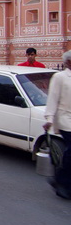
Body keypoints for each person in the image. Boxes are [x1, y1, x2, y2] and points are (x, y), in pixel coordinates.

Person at [43, 50, 71, 199]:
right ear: (67, 62)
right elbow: (52, 98)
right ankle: (61, 181)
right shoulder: (60, 77)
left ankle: (60, 179)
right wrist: (49, 118)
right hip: (65, 118)